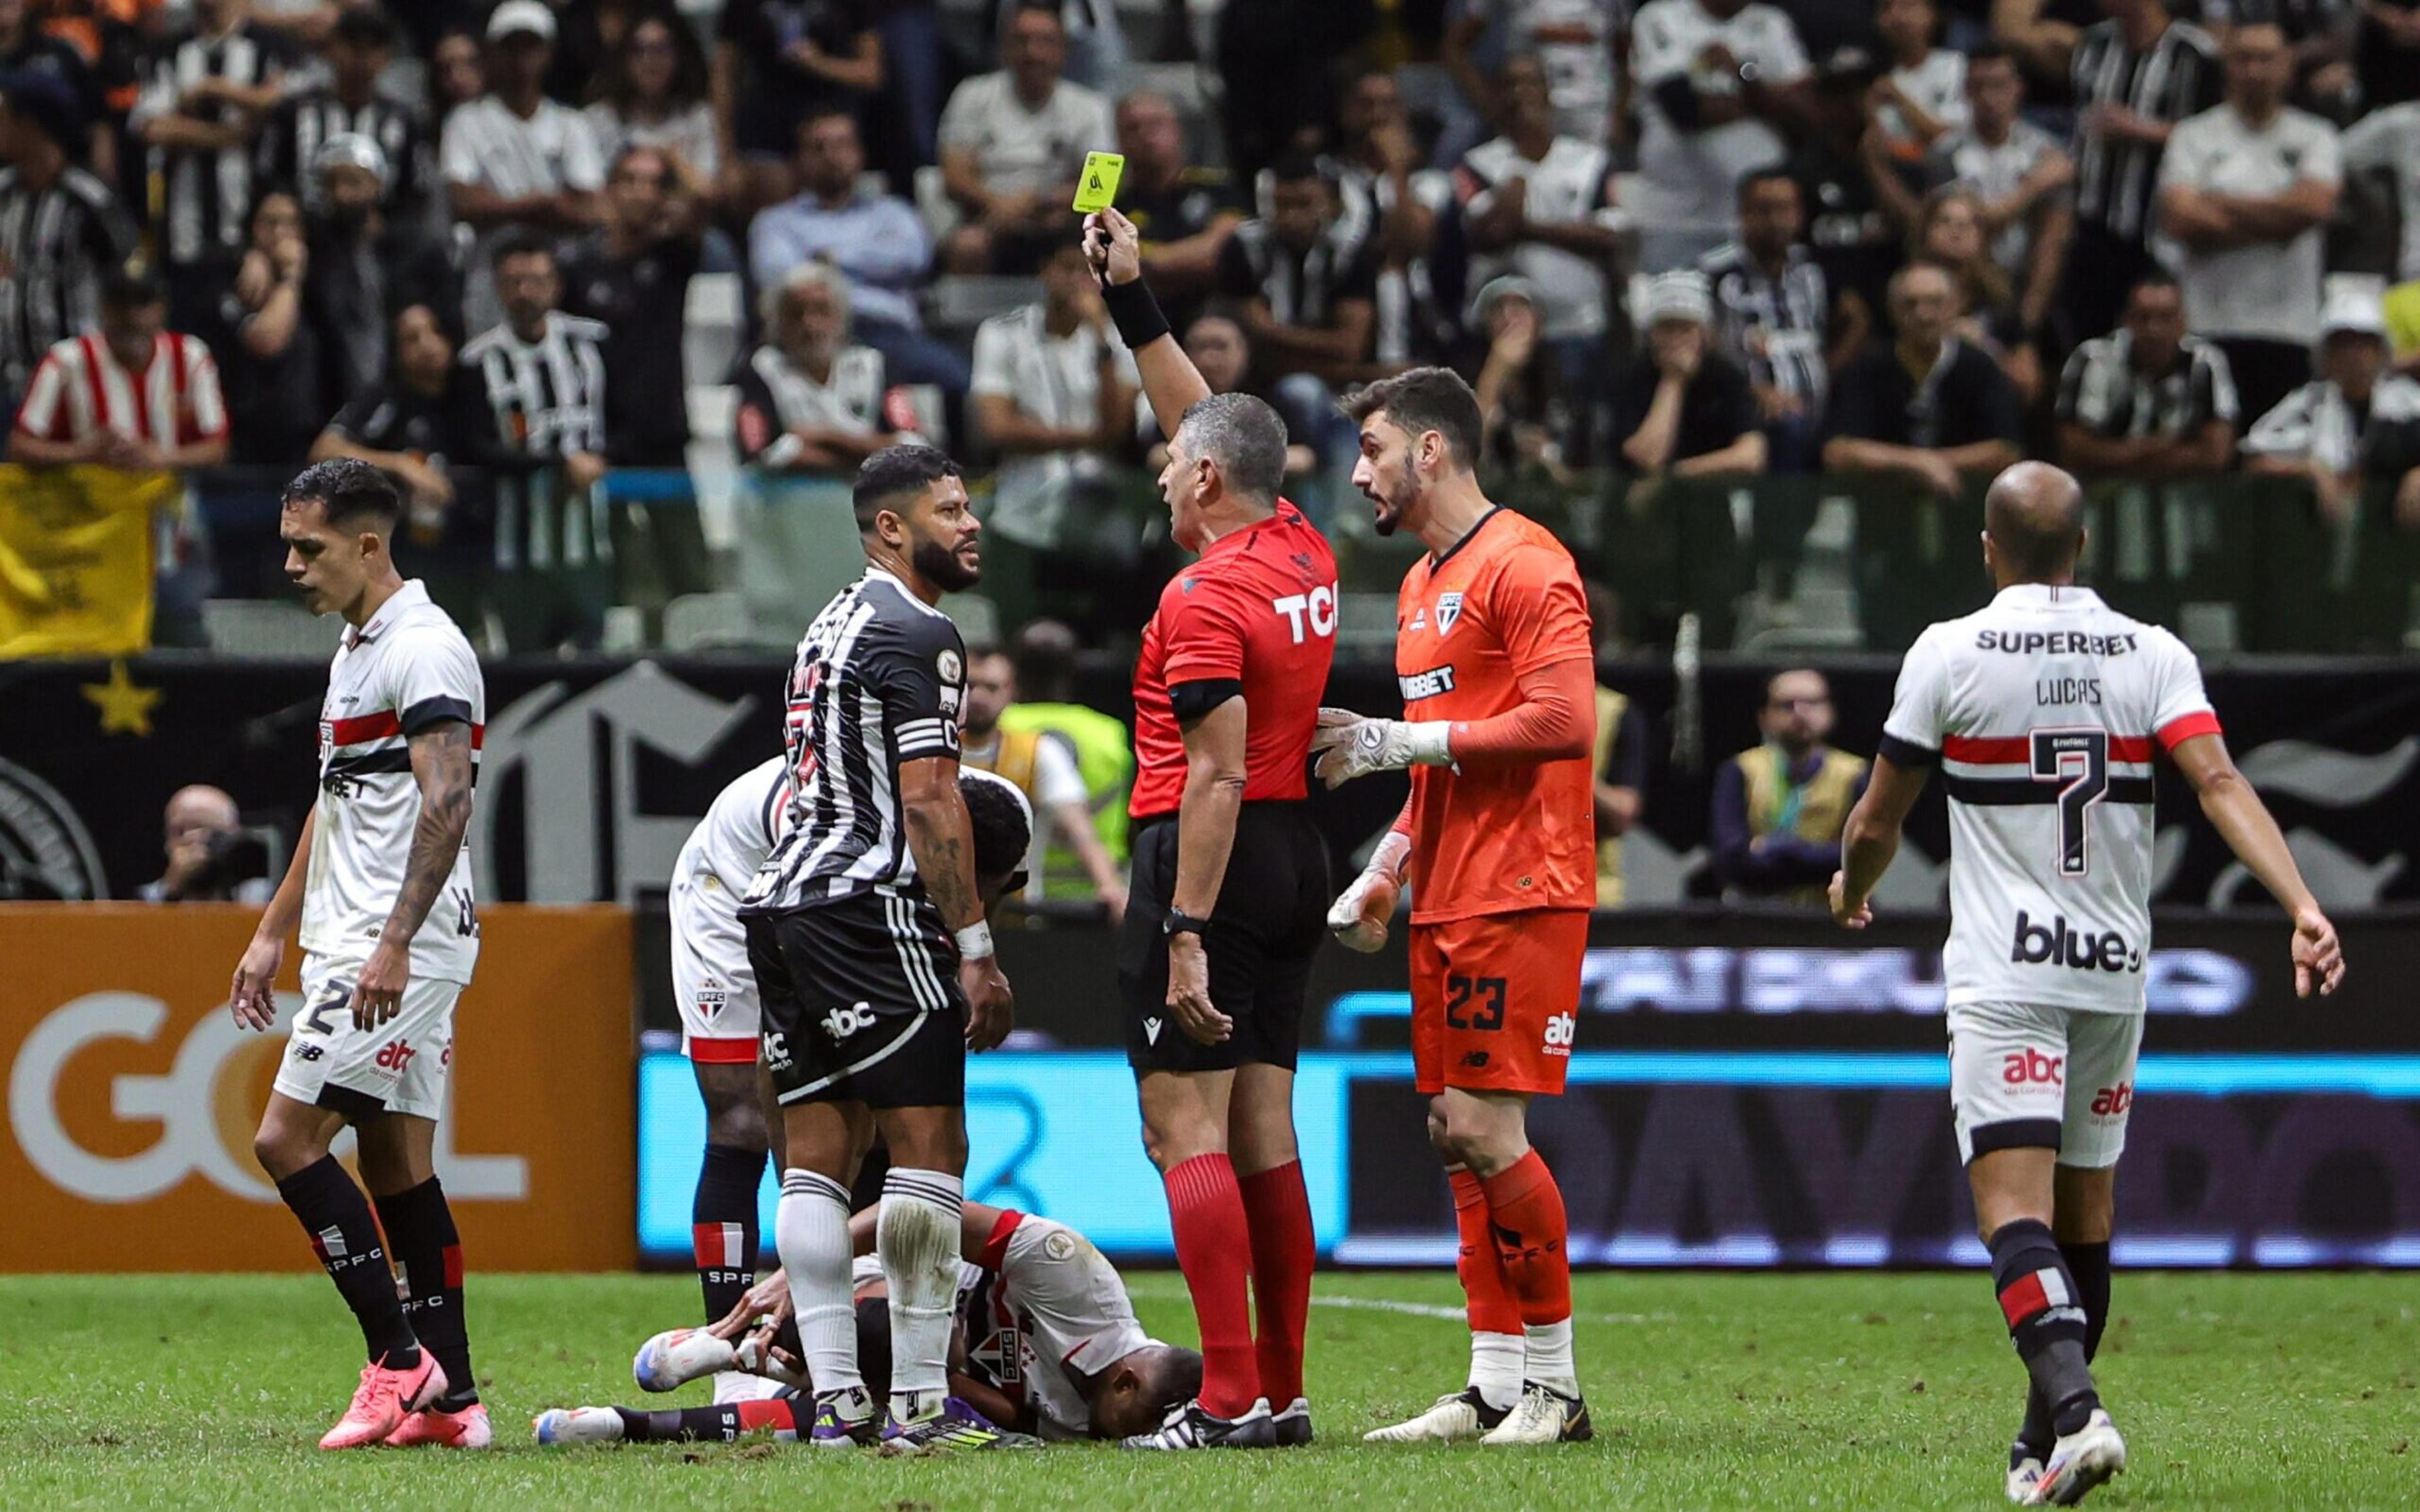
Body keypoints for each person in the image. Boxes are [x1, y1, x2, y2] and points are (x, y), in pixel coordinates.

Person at [1829, 459, 2346, 1506]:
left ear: (1988, 549)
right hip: (2115, 970)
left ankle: (2076, 1412)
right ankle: (2040, 1450)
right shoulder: (2151, 651)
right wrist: (2301, 902)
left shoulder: (1950, 650)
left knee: (2011, 1213)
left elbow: (1881, 818)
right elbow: (2218, 781)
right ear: (2085, 547)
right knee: (2087, 1217)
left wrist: (1851, 884)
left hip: (2006, 971)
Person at [1082, 206, 1333, 1452]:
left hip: (1212, 857)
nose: (1163, 463)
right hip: (1299, 862)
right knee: (1265, 1130)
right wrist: (1135, 300)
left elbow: (1215, 779)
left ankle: (1227, 1396)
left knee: (1181, 1128)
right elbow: (1204, 419)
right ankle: (1280, 1391)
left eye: (1178, 461)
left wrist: (1182, 930)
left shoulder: (1201, 599)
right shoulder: (1299, 546)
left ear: (1210, 485)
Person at [1318, 367, 1596, 1447]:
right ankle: (1491, 1383)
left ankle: (1558, 1389)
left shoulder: (1526, 564)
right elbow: (1438, 768)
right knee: (1451, 1133)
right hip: (1448, 891)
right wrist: (1387, 865)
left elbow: (1565, 719)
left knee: (1487, 1127)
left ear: (1431, 451)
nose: (1361, 472)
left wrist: (1403, 742)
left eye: (1374, 448)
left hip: (1525, 884)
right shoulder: (1428, 585)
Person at [736, 443, 1022, 1454]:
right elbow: (931, 796)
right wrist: (975, 945)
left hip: (783, 904)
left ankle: (837, 1405)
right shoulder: (921, 627)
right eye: (951, 509)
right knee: (931, 1149)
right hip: (866, 905)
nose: (971, 523)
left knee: (816, 1159)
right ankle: (918, 1405)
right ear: (892, 528)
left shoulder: (828, 626)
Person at [226, 458, 489, 1451]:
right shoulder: (357, 646)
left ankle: (397, 1359)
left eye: (310, 548)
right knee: (396, 1167)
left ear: (370, 546)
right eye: (289, 544)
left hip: (398, 946)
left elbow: (448, 802)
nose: (292, 564)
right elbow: (337, 803)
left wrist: (391, 945)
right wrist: (271, 928)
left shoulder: (424, 649)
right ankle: (454, 1400)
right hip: (360, 936)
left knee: (285, 1140)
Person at [657, 754, 1032, 1412]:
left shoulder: (993, 820)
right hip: (745, 884)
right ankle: (738, 1352)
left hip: (849, 906)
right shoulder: (851, 826)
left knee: (900, 1113)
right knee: (753, 1121)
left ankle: (863, 1333)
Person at [538, 1191, 1202, 1446]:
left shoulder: (1095, 1419)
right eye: (1140, 1423)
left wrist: (932, 1391)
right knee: (892, 1338)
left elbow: (1007, 1416)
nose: (1127, 1440)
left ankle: (629, 1426)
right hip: (890, 1289)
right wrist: (798, 1274)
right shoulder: (1076, 1275)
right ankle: (748, 1353)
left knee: (850, 1420)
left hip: (931, 1379)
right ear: (1127, 1385)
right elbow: (914, 1215)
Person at [2154, 22, 2340, 431]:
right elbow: (2181, 218)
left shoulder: (2316, 136)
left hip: (2290, 327)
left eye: (2266, 59)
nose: (2255, 70)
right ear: (2227, 66)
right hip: (2208, 324)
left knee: (2284, 448)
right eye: (2243, 59)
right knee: (2208, 448)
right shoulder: (2193, 136)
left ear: (2288, 66)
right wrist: (2281, 221)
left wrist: (2218, 205)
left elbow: (2314, 207)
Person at [561, 142, 710, 605]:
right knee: (619, 571)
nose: (642, 194)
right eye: (631, 181)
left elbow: (705, 200)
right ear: (609, 190)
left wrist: (668, 158)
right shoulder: (577, 268)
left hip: (663, 431)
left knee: (688, 569)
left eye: (654, 184)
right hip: (601, 435)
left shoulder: (672, 258)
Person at [747, 109, 967, 401]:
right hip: (805, 335)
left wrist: (829, 259)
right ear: (799, 160)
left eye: (841, 145)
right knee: (745, 383)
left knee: (958, 377)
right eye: (818, 147)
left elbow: (912, 257)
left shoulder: (893, 213)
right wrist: (870, 267)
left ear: (859, 154)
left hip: (887, 334)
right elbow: (782, 276)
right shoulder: (775, 221)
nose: (831, 156)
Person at [458, 234, 611, 651]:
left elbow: (624, 422)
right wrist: (559, 462)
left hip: (588, 543)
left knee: (592, 660)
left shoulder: (593, 344)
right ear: (498, 287)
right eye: (514, 281)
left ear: (556, 285)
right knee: (527, 662)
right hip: (517, 546)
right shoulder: (479, 361)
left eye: (538, 280)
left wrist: (601, 458)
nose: (526, 292)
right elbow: (476, 446)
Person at [310, 302, 492, 626]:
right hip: (400, 562)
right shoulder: (387, 399)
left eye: (435, 333)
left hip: (468, 557)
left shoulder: (472, 399)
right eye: (412, 338)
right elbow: (325, 450)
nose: (428, 346)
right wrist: (401, 465)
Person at [1458, 55, 1626, 392]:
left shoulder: (1590, 161)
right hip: (1503, 330)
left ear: (1548, 92)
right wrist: (1519, 162)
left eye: (1531, 83)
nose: (1521, 93)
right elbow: (1490, 233)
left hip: (1578, 324)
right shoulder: (1476, 164)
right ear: (1495, 96)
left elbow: (1609, 235)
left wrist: (1528, 228)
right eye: (1509, 85)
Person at [439, 1, 603, 336]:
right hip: (489, 274)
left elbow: (588, 210)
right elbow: (463, 203)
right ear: (493, 53)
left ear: (548, 52)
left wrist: (502, 206)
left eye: (530, 46)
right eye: (510, 47)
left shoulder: (572, 124)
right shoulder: (467, 122)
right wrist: (542, 204)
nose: (520, 57)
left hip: (562, 273)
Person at [2064, 0, 2221, 348]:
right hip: (2093, 222)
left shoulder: (2196, 53)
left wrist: (2139, 130)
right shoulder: (2093, 44)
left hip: (2163, 231)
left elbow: (2217, 136)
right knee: (2090, 340)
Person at [129, 0, 289, 333]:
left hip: (246, 242)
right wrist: (232, 136)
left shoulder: (264, 44)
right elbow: (151, 128)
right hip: (182, 238)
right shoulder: (169, 48)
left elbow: (275, 102)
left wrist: (211, 88)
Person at [969, 238, 1138, 551]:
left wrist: (1101, 336)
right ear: (1046, 271)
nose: (1078, 281)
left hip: (1098, 489)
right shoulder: (1002, 333)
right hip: (1023, 488)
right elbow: (997, 429)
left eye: (1088, 272)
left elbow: (1116, 427)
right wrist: (1089, 438)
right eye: (1068, 268)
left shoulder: (1120, 341)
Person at [1910, 45, 2071, 363]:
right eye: (1979, 86)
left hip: (2022, 285)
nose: (1988, 96)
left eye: (1999, 85)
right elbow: (1959, 225)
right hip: (1967, 287)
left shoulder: (2043, 150)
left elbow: (2051, 239)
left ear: (2018, 88)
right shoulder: (1946, 152)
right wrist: (2031, 188)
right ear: (1967, 91)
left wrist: (2026, 329)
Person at [1625, 0, 1813, 265]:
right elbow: (1685, 110)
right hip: (1674, 219)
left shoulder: (1772, 23)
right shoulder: (1660, 18)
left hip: (1759, 224)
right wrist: (1764, 100)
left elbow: (1805, 115)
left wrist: (1741, 73)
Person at [936, 0, 1112, 275]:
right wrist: (999, 205)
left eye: (1045, 42)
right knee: (966, 247)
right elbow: (955, 176)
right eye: (1022, 41)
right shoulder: (973, 95)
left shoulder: (1091, 108)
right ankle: (965, 320)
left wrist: (1038, 202)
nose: (1033, 52)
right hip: (987, 221)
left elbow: (1102, 189)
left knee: (1096, 249)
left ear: (1062, 51)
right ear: (1005, 48)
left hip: (1061, 224)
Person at [1821, 260, 2022, 496]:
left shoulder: (1980, 367)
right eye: (1911, 304)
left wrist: (1937, 463)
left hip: (1964, 507)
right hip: (1885, 510)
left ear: (1954, 307)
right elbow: (1838, 452)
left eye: (1935, 303)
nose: (1923, 314)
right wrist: (1916, 464)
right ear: (1893, 310)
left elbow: (2006, 451)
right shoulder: (1867, 368)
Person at [0, 71, 137, 410]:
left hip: (78, 384)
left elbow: (132, 278)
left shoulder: (89, 200)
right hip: (8, 381)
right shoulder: (3, 193)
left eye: (4, 117)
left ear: (32, 125)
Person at [959, 643, 1127, 920]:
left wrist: (1110, 886)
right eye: (970, 685)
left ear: (1011, 692)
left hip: (1012, 915)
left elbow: (1079, 827)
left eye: (991, 688)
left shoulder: (1036, 752)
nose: (978, 697)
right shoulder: (932, 747)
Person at [12, 260, 228, 474]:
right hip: (90, 503)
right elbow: (19, 447)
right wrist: (81, 453)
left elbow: (217, 449)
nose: (131, 316)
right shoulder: (66, 361)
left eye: (142, 304)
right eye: (120, 304)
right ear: (103, 308)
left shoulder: (190, 356)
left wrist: (162, 457)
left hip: (169, 504)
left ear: (161, 309)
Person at [1213, 151, 1379, 427]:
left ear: (1331, 205)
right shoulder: (1244, 247)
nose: (1292, 216)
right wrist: (1325, 349)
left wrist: (1275, 333)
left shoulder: (1350, 252)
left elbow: (1349, 345)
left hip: (1341, 390)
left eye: (1305, 204)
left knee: (1304, 392)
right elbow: (1251, 341)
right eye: (1282, 204)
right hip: (1253, 385)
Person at [301, 133, 456, 423]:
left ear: (378, 184)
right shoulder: (317, 250)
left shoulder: (418, 247)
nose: (342, 195)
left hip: (407, 390)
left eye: (352, 182)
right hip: (335, 385)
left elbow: (447, 318)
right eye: (331, 184)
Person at [2242, 287, 2420, 527]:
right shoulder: (2307, 404)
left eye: (2363, 344)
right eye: (2343, 344)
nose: (2353, 356)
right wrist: (2310, 470)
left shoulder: (2407, 402)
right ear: (2326, 353)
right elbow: (2255, 459)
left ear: (2380, 351)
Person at [1701, 168, 1838, 471]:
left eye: (1785, 209)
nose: (1776, 220)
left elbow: (1845, 325)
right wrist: (1753, 390)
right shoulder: (1717, 275)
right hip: (1751, 415)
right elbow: (1705, 352)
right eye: (1764, 210)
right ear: (1743, 214)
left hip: (1818, 410)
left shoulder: (1813, 270)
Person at [997, 618, 1136, 903]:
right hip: (1095, 898)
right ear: (1075, 670)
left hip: (1010, 895)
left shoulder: (996, 730)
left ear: (1013, 670)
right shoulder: (1108, 732)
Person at [2055, 275, 2238, 481]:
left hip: (2185, 491)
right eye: (2143, 317)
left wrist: (2121, 456)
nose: (2154, 330)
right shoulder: (2092, 358)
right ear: (2126, 320)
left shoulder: (2205, 362)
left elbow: (2216, 456)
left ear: (2183, 322)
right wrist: (2161, 447)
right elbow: (2074, 453)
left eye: (2165, 318)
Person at [1707, 668, 1867, 902]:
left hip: (1832, 916)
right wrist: (1819, 859)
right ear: (1764, 716)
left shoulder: (1855, 773)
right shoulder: (1741, 769)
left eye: (1812, 703)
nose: (1800, 713)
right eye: (1786, 705)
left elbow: (1860, 858)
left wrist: (1779, 850)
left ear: (1830, 711)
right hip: (1753, 915)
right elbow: (1731, 858)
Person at [734, 261, 907, 477]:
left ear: (841, 317)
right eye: (796, 313)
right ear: (778, 322)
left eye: (821, 310)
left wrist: (819, 437)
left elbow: (912, 444)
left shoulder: (872, 364)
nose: (809, 324)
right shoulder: (762, 368)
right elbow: (761, 454)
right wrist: (866, 453)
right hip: (791, 503)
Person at [254, 5, 422, 224]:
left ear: (386, 56)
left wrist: (386, 226)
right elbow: (269, 180)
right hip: (305, 240)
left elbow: (415, 194)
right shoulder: (293, 113)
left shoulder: (403, 121)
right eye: (353, 45)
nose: (362, 58)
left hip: (381, 247)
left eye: (372, 47)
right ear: (332, 48)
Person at [713, 0, 882, 202]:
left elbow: (871, 74)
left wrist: (820, 64)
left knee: (832, 168)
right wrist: (726, 156)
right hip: (768, 127)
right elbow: (723, 77)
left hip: (831, 117)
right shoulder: (744, 6)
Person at [1611, 269, 1768, 479]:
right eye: (1667, 328)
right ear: (1652, 333)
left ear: (1703, 333)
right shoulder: (1632, 376)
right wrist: (1673, 381)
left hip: (1707, 492)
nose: (1675, 339)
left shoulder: (1725, 375)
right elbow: (1647, 456)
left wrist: (1677, 474)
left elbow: (1751, 455)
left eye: (1685, 328)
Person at [1114, 89, 1244, 335]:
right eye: (1132, 128)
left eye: (1155, 124)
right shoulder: (1113, 203)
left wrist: (1149, 261)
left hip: (1212, 316)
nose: (1144, 135)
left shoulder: (1218, 189)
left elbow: (1219, 252)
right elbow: (1104, 266)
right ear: (1119, 140)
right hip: (1138, 321)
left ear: (1177, 130)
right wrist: (1183, 264)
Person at [216, 190, 320, 464]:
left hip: (305, 440)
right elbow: (268, 341)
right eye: (270, 222)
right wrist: (290, 277)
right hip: (250, 442)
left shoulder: (320, 277)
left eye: (290, 223)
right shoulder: (234, 280)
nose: (280, 233)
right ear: (253, 227)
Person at [584, 10, 722, 216]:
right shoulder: (598, 118)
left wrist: (669, 158)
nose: (650, 61)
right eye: (639, 50)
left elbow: (708, 193)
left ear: (679, 56)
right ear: (624, 60)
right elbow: (590, 197)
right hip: (615, 227)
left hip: (680, 226)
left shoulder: (699, 116)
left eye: (661, 49)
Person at [1444, 0, 1626, 146]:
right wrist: (1490, 104)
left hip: (1593, 108)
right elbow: (1457, 45)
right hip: (1528, 108)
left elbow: (1625, 48)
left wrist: (1619, 112)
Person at [1868, 0, 1966, 164]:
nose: (1897, 16)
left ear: (1932, 14)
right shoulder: (1876, 83)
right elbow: (1877, 150)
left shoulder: (1955, 66)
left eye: (1908, 5)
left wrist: (1899, 97)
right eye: (1886, 8)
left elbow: (1947, 137)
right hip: (1901, 173)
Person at [137, 784, 271, 903]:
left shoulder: (261, 898)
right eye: (179, 831)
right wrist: (171, 892)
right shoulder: (146, 900)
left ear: (233, 835)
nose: (190, 839)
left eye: (202, 827)